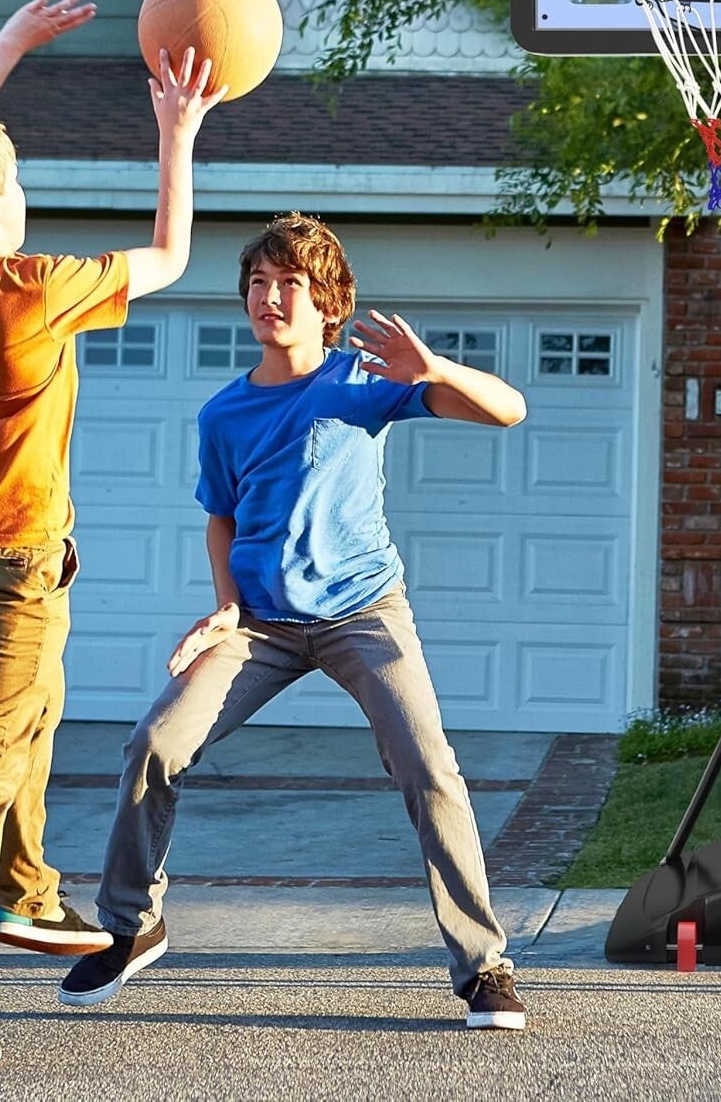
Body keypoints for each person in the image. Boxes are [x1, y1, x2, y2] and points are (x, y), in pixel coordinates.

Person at [59, 213, 530, 1031]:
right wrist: (225, 605)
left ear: (327, 303)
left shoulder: (361, 381)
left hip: (363, 613)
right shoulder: (223, 414)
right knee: (155, 744)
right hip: (260, 627)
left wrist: (435, 366)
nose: (270, 298)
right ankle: (132, 926)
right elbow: (221, 517)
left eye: (290, 285)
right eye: (258, 284)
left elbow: (509, 411)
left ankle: (483, 966)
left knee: (429, 768)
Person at [0, 0, 226, 1067]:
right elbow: (170, 256)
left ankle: (25, 892)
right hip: (13, 554)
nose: (23, 194)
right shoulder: (31, 290)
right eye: (12, 185)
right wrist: (177, 136)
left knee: (35, 714)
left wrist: (8, 46)